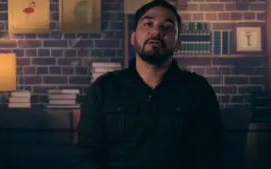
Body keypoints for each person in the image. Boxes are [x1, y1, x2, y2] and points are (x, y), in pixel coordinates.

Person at [73, 1, 225, 169]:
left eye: (167, 26)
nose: (156, 31)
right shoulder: (104, 89)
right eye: (148, 24)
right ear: (133, 38)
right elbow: (87, 154)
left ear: (178, 43)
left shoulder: (198, 90)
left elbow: (210, 156)